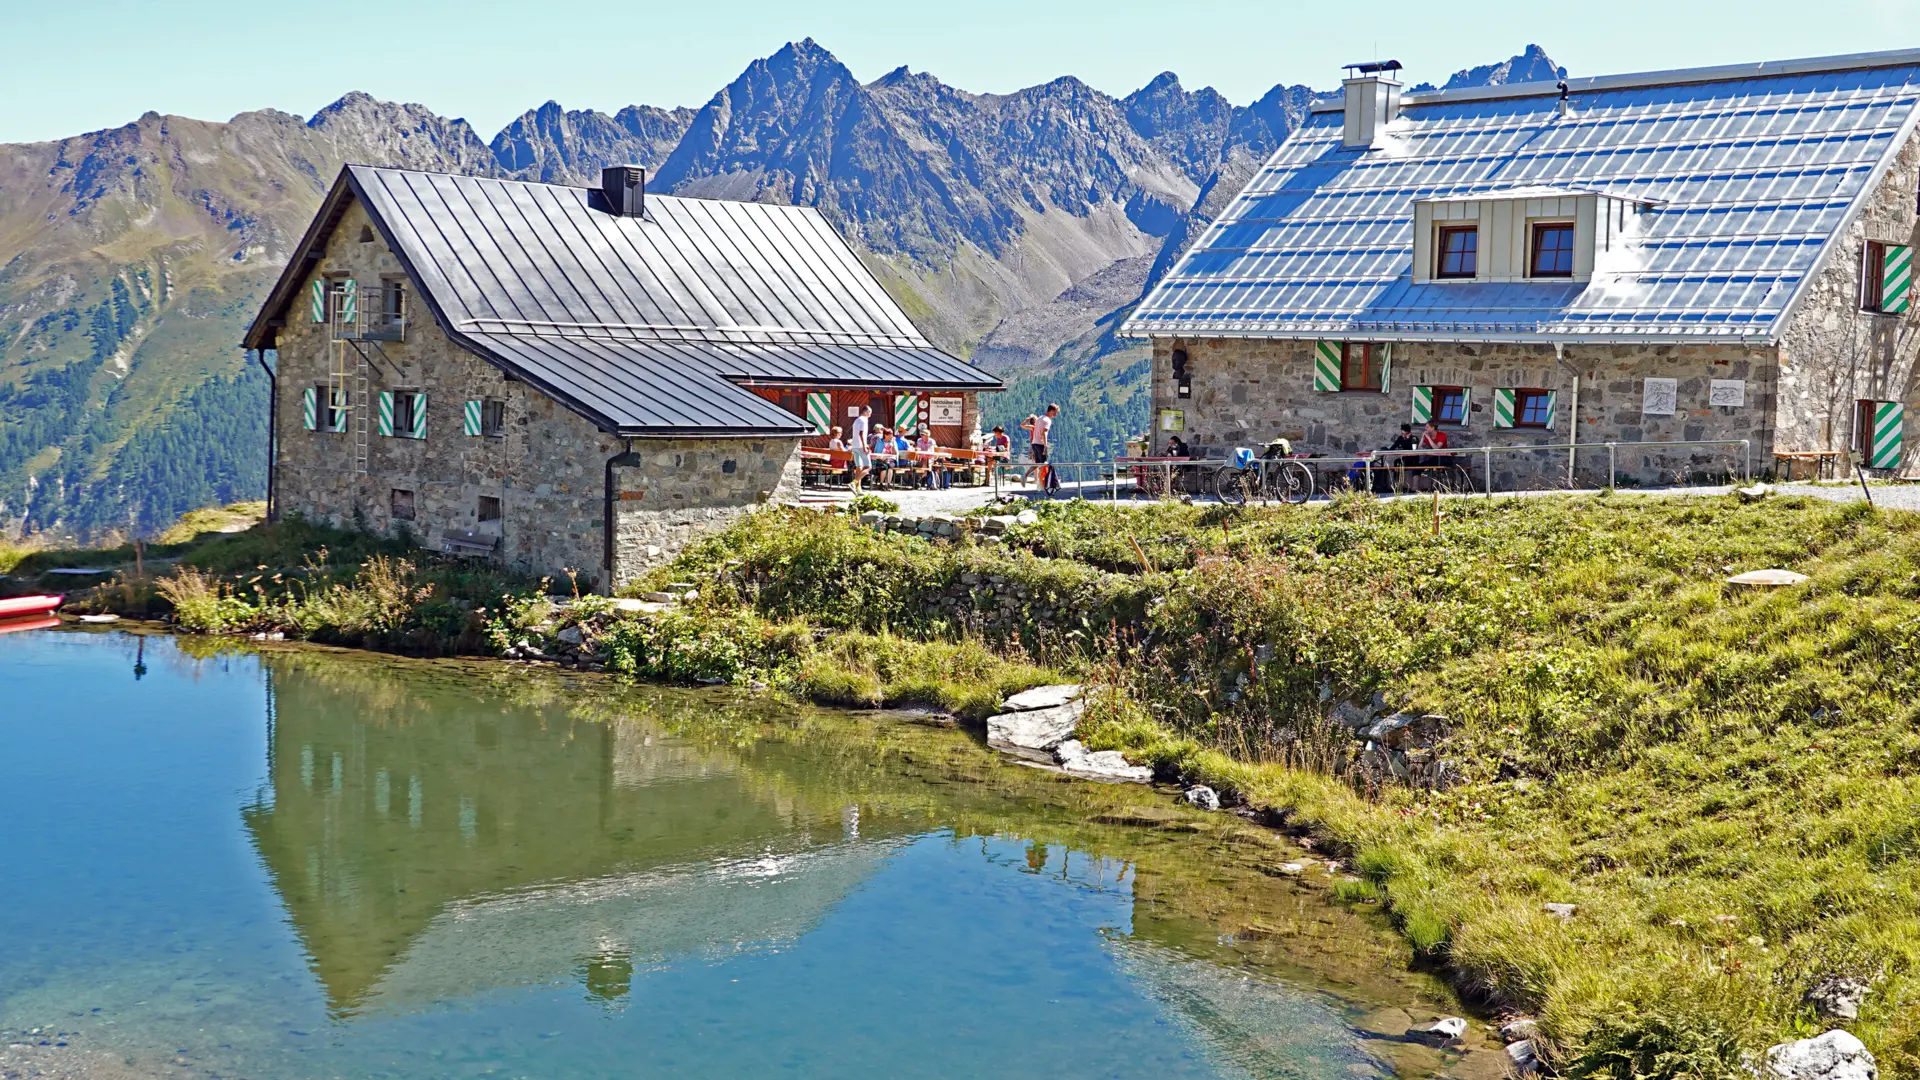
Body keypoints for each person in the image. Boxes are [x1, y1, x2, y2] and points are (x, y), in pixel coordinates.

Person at [1034, 403, 1061, 495]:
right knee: (1044, 465)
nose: (1056, 414)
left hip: (1034, 443)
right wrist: (1045, 445)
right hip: (1041, 444)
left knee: (1040, 465)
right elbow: (1044, 433)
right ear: (1051, 411)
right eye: (1056, 412)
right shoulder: (1048, 420)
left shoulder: (1040, 418)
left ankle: (1041, 485)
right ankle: (1042, 485)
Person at [1387, 423, 1418, 493]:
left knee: (1401, 462)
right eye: (1402, 433)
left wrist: (1407, 439)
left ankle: (1410, 487)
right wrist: (1387, 450)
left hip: (1413, 459)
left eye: (1405, 434)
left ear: (1409, 433)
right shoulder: (1401, 438)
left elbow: (1413, 450)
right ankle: (1397, 484)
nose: (1403, 435)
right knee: (1397, 462)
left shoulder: (1414, 439)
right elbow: (1394, 446)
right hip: (1404, 458)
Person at [1419, 420, 1451, 489]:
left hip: (1444, 458)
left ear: (1433, 427)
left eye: (1427, 427)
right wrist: (1422, 438)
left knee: (1435, 468)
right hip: (1434, 458)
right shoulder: (1428, 436)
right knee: (1419, 466)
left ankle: (1434, 487)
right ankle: (1417, 487)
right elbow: (1419, 448)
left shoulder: (1442, 435)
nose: (1425, 428)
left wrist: (1428, 438)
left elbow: (1436, 448)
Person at [849, 407, 872, 494]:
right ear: (866, 412)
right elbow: (861, 433)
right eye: (869, 412)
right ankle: (853, 483)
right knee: (868, 467)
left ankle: (858, 489)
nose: (870, 414)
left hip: (854, 445)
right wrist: (864, 445)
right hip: (860, 445)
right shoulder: (864, 420)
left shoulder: (856, 420)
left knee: (859, 467)